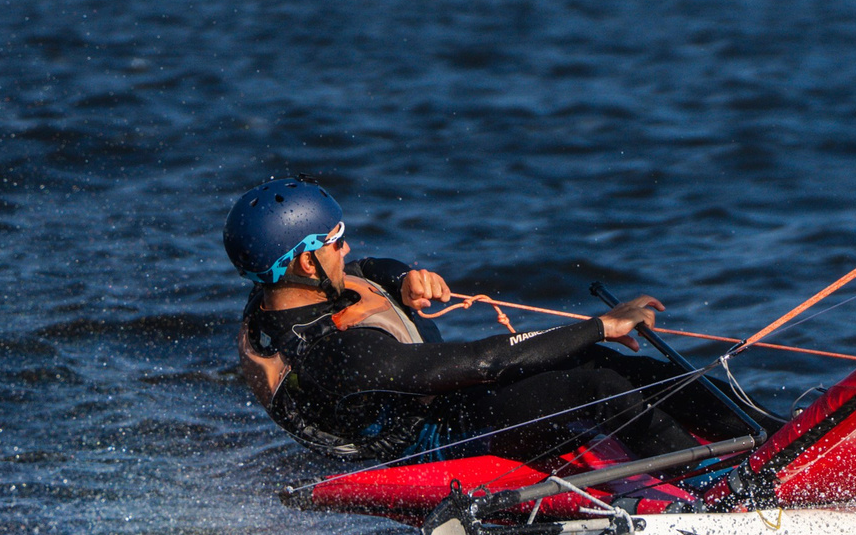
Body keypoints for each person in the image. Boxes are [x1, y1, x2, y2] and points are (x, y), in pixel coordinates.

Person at [225, 177, 754, 466]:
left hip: (431, 400)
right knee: (597, 377)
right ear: (308, 261)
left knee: (591, 363)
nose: (349, 247)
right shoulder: (335, 355)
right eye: (337, 239)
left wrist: (406, 276)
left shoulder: (279, 292)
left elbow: (369, 270)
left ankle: (760, 434)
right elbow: (483, 361)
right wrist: (602, 324)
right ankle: (723, 485)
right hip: (438, 438)